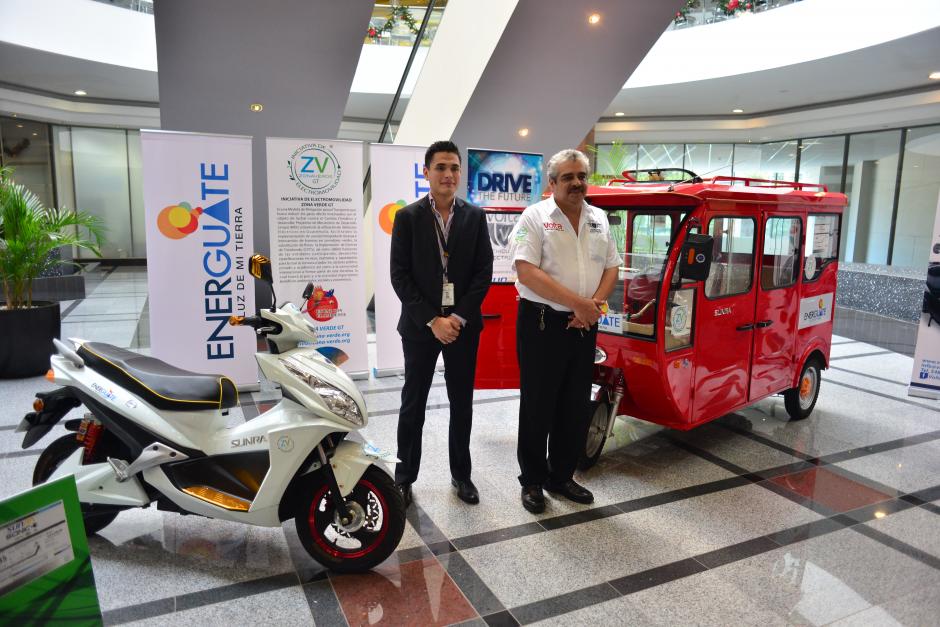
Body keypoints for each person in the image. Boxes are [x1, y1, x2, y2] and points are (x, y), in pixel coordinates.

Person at [509, 149, 620, 514]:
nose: (577, 183)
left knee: (574, 405)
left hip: (583, 324)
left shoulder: (599, 219)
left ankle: (561, 476)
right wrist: (578, 303)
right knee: (538, 404)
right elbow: (526, 271)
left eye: (582, 176)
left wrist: (592, 307)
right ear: (552, 183)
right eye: (568, 177)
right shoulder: (535, 217)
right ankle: (533, 482)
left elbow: (611, 268)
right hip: (542, 322)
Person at [389, 140, 494, 507]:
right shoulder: (408, 218)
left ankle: (461, 475)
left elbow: (483, 274)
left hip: (463, 327)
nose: (448, 174)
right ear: (426, 173)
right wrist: (433, 320)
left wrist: (457, 317)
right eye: (440, 168)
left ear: (460, 173)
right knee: (412, 402)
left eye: (454, 168)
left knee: (461, 402)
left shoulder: (475, 216)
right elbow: (399, 277)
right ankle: (404, 477)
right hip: (421, 327)